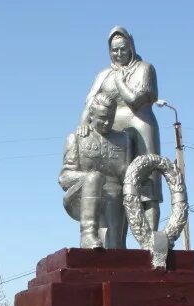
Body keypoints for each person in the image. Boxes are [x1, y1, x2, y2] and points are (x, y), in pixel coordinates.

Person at [77, 26, 161, 235]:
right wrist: (84, 123)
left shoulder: (144, 68)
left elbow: (135, 100)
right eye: (114, 50)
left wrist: (120, 81)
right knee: (113, 189)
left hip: (140, 126)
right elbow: (90, 101)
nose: (119, 54)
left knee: (146, 187)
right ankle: (115, 245)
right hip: (112, 131)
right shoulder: (104, 74)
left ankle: (149, 244)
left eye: (123, 49)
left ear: (131, 46)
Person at [60, 94, 132, 248]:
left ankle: (115, 252)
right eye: (102, 118)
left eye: (110, 118)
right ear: (91, 114)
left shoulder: (123, 140)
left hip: (114, 196)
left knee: (115, 246)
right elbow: (64, 178)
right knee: (94, 178)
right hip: (81, 195)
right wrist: (91, 178)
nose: (107, 122)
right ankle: (87, 235)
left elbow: (126, 175)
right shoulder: (77, 138)